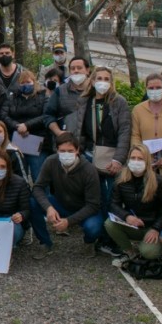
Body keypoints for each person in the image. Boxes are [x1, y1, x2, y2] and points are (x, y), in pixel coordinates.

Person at [71, 66, 131, 223]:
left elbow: (125, 132)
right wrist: (79, 152)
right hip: (90, 155)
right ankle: (96, 229)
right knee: (94, 195)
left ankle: (111, 230)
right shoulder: (84, 101)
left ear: (112, 83)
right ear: (92, 81)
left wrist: (119, 159)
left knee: (111, 196)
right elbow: (79, 130)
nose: (102, 83)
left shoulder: (119, 102)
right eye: (99, 79)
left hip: (112, 158)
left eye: (106, 79)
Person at [30, 133, 103, 259]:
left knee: (94, 227)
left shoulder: (89, 170)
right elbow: (37, 188)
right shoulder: (51, 162)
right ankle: (45, 242)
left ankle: (89, 242)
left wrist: (69, 222)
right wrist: (49, 208)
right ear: (56, 150)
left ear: (77, 150)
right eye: (62, 151)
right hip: (60, 204)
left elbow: (93, 205)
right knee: (32, 203)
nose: (66, 154)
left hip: (85, 208)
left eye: (70, 151)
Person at [104, 145, 162, 262]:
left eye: (140, 159)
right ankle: (129, 251)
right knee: (109, 224)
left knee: (148, 253)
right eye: (133, 158)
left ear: (147, 161)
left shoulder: (159, 182)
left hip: (152, 227)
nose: (136, 161)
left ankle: (158, 244)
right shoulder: (121, 179)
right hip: (133, 224)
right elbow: (113, 204)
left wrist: (156, 228)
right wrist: (127, 216)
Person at [0, 69, 50, 181]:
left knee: (39, 177)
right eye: (22, 82)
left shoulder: (43, 97)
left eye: (28, 82)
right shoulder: (11, 98)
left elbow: (46, 115)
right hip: (17, 142)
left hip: (38, 143)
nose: (25, 85)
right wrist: (17, 126)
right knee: (17, 177)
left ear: (34, 82)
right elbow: (4, 115)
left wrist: (27, 125)